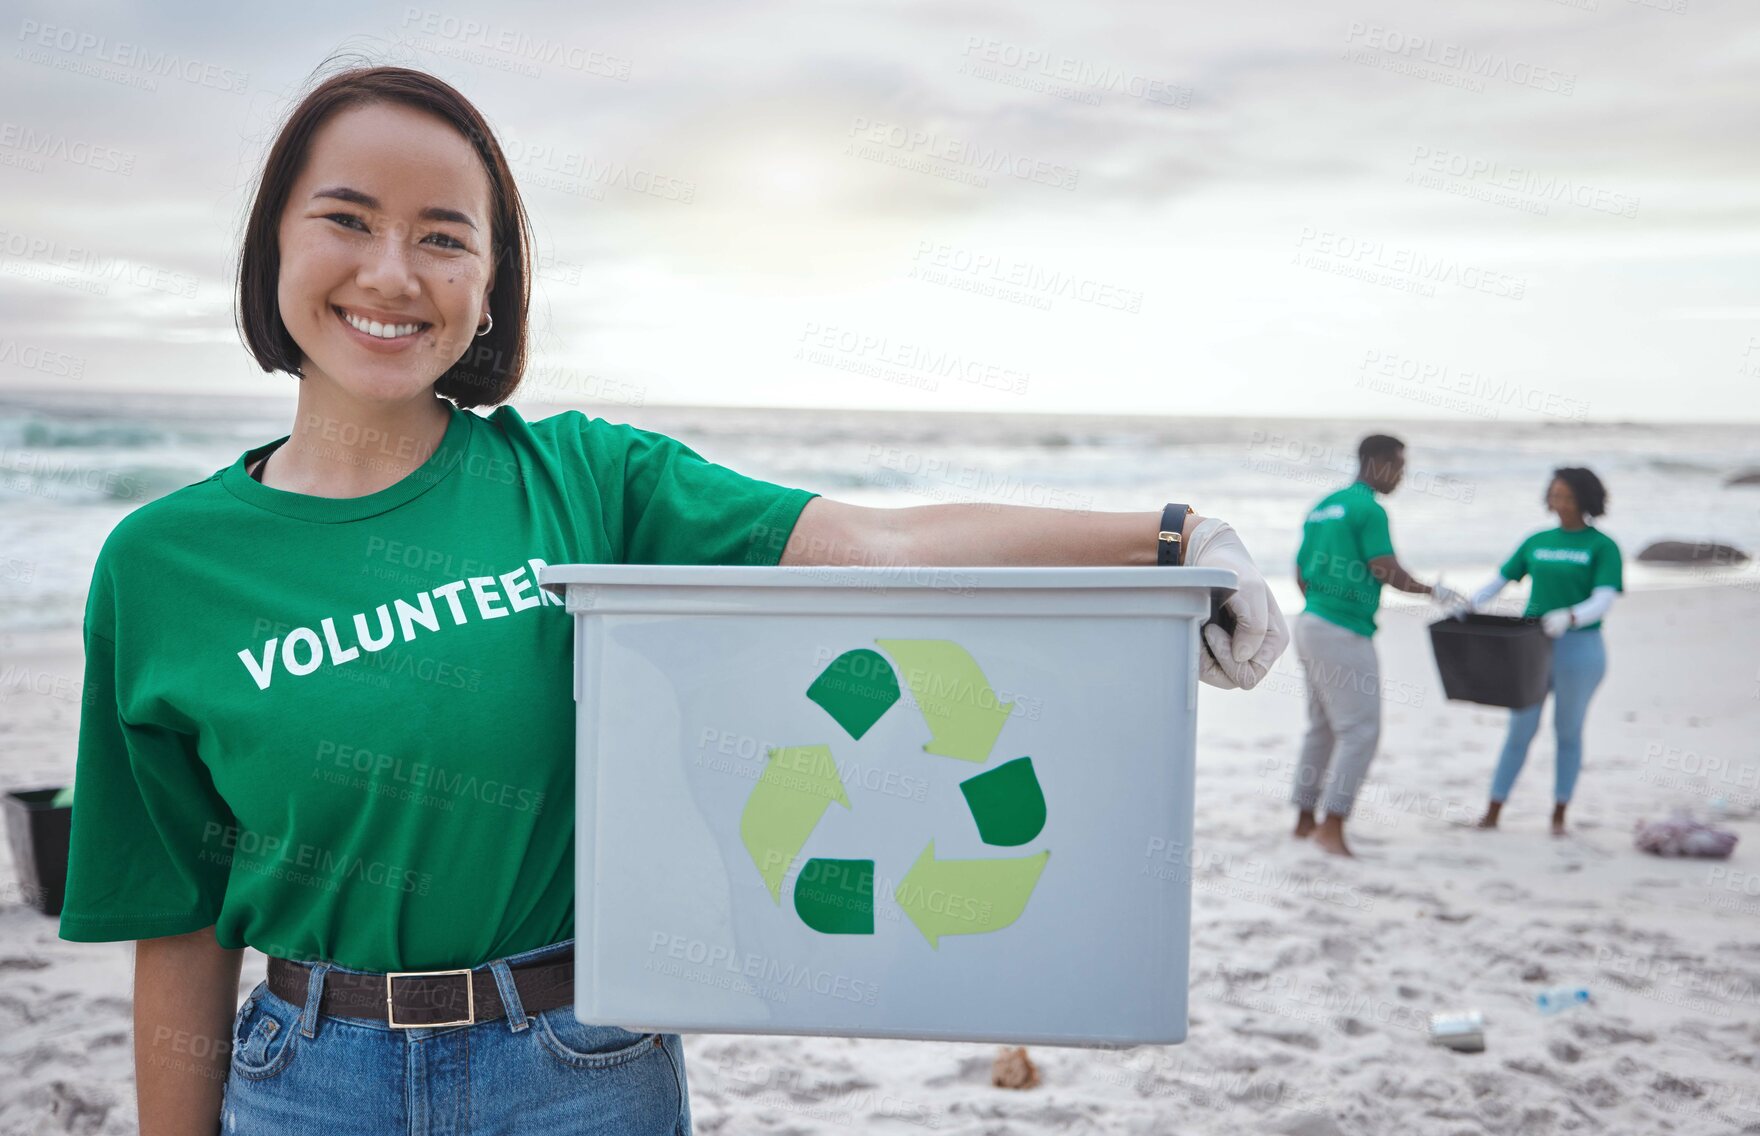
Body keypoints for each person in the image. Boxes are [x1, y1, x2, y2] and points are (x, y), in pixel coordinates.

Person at [54, 64, 1288, 1136]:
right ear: (274, 241)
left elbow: (870, 540)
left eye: (444, 235)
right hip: (302, 1075)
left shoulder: (589, 478)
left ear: (491, 285)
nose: (394, 270)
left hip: (575, 1062)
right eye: (347, 219)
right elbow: (179, 916)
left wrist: (1163, 541)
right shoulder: (163, 564)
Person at [1290, 435, 1462, 857]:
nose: (1402, 476)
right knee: (1360, 730)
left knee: (1322, 725)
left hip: (1310, 621)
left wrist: (1323, 600)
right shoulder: (1369, 509)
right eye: (1399, 466)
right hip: (1343, 628)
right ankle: (1332, 828)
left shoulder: (1323, 505)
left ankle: (1304, 821)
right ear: (1378, 463)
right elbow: (1383, 567)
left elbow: (1299, 571)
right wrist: (1430, 591)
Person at [1464, 468, 1621, 836]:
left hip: (1580, 649)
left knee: (1567, 730)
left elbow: (1604, 598)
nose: (1560, 503)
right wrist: (1469, 604)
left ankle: (1559, 813)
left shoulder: (1602, 546)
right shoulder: (1536, 540)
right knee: (1520, 728)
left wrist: (1570, 616)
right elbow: (1501, 579)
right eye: (1554, 495)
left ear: (1585, 499)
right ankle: (1493, 810)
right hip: (1532, 647)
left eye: (1567, 496)